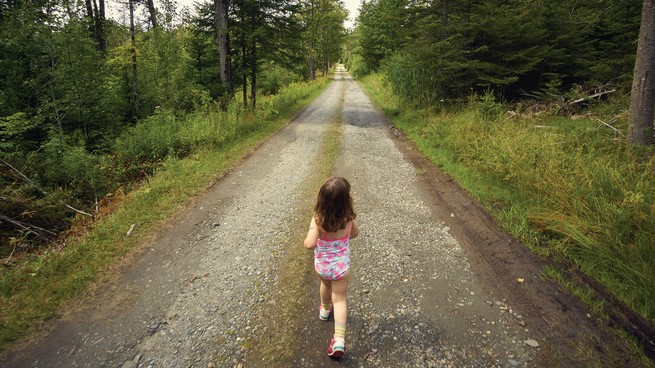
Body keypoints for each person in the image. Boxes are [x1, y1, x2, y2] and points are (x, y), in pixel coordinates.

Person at [304, 176, 359, 358]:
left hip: (324, 266)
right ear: (346, 201)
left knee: (325, 286)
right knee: (340, 299)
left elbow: (309, 244)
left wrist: (311, 236)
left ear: (321, 200)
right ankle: (339, 339)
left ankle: (325, 309)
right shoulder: (348, 218)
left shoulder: (318, 219)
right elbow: (355, 234)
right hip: (341, 267)